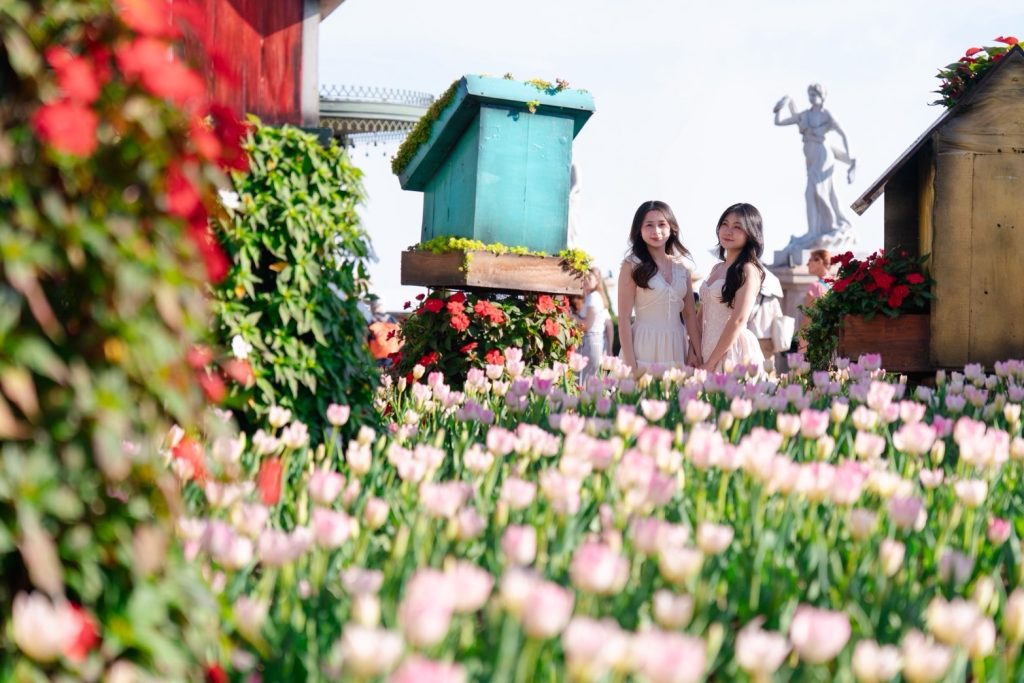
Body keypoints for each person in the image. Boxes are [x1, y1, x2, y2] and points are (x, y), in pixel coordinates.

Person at [617, 200, 701, 372]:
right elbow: (624, 318)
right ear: (639, 230)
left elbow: (690, 315)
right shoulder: (631, 265)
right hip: (644, 344)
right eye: (649, 225)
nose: (656, 231)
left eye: (662, 224)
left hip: (677, 345)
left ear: (671, 228)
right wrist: (631, 365)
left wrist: (697, 353)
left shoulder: (682, 267)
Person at [773, 84, 856, 254]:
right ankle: (815, 231)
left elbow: (843, 133)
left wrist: (850, 155)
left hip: (823, 155)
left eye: (815, 94)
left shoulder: (826, 115)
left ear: (822, 96)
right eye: (810, 94)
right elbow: (779, 122)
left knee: (816, 191)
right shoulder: (804, 115)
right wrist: (780, 108)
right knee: (817, 193)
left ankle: (822, 229)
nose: (812, 97)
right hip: (811, 158)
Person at [699, 203, 767, 373]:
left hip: (732, 350)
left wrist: (711, 363)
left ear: (751, 233)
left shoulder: (748, 270)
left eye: (737, 227)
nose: (728, 231)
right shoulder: (716, 268)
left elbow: (738, 320)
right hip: (707, 345)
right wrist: (693, 349)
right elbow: (702, 313)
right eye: (725, 224)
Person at [579, 267, 612, 381]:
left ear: (597, 281)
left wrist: (572, 317)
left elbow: (587, 325)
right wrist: (609, 348)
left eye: (589, 278)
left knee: (587, 382)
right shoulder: (595, 297)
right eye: (585, 277)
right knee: (593, 381)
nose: (586, 280)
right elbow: (609, 324)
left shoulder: (593, 297)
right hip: (596, 343)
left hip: (590, 343)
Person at [798, 248, 832, 352]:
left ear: (819, 261)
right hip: (831, 338)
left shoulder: (815, 287)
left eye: (810, 260)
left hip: (816, 341)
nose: (807, 264)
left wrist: (802, 344)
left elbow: (808, 318)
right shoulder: (835, 283)